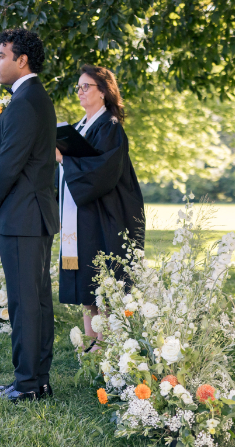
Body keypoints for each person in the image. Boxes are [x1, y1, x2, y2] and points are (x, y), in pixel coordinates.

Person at [0, 29, 61, 403]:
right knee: (37, 301)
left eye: (1, 55)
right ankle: (38, 380)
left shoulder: (25, 102)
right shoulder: (33, 97)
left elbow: (7, 166)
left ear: (21, 60)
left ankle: (28, 384)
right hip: (34, 215)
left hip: (23, 216)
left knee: (25, 303)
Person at [55, 65, 144, 350]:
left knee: (102, 281)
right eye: (78, 87)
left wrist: (64, 160)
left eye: (86, 86)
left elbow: (102, 172)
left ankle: (106, 347)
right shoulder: (80, 127)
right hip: (81, 216)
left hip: (104, 216)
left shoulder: (110, 127)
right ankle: (90, 345)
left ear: (103, 92)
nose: (80, 92)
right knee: (85, 280)